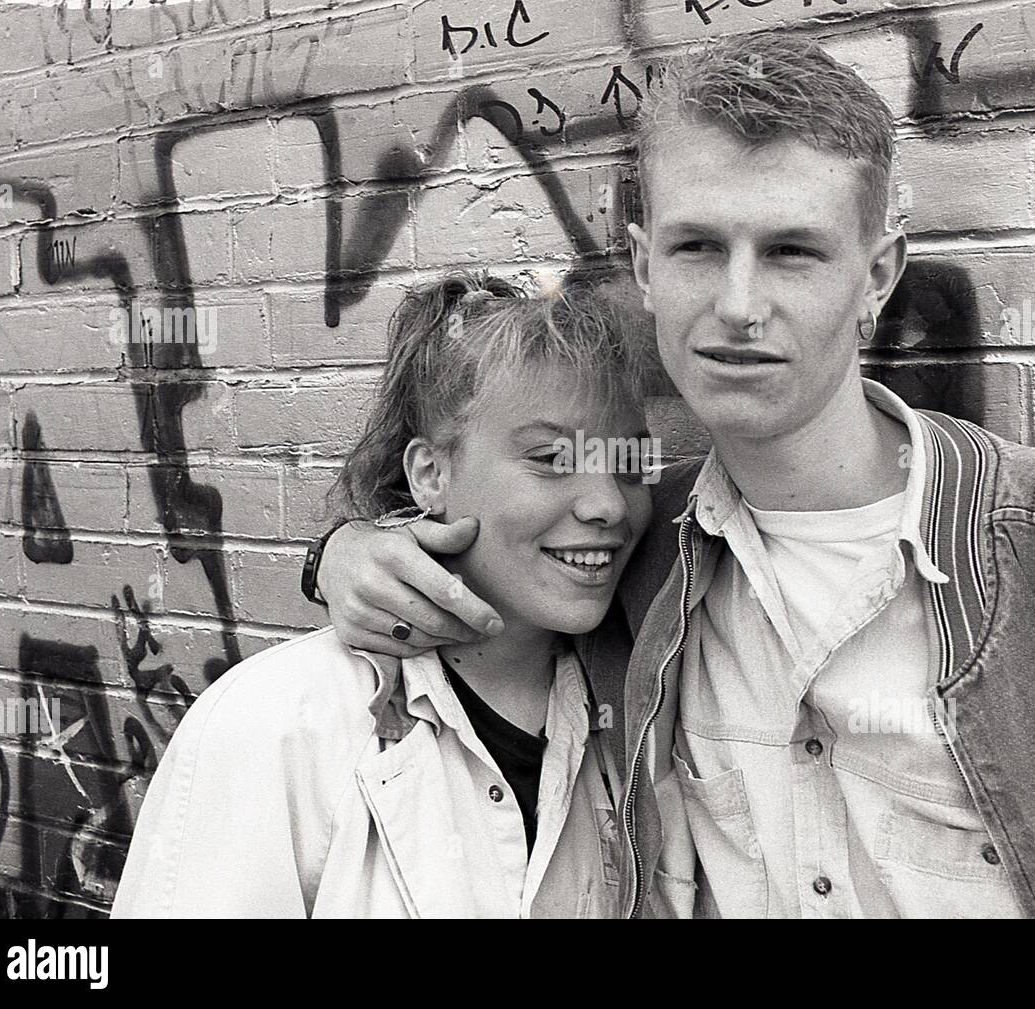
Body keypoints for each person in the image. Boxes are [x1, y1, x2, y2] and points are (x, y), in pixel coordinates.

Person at [307, 35, 1035, 917]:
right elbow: (486, 545)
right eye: (698, 248)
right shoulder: (636, 547)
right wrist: (344, 550)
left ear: (877, 275)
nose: (738, 305)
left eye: (792, 252)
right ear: (643, 267)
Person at [112, 273, 656, 917]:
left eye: (630, 464)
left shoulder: (640, 704)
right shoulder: (277, 725)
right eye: (550, 459)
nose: (607, 505)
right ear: (430, 474)